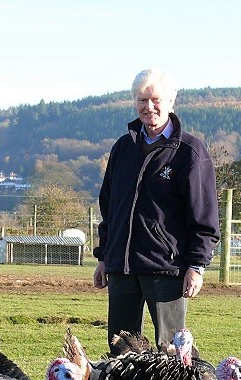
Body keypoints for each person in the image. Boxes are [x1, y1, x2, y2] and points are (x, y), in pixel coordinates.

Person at [93, 69, 220, 352]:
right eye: (141, 100)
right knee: (121, 351)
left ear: (171, 102)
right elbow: (109, 208)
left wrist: (196, 266)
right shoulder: (122, 148)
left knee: (172, 351)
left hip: (167, 269)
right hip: (122, 269)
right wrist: (104, 257)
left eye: (155, 99)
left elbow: (205, 218)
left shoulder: (190, 152)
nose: (148, 107)